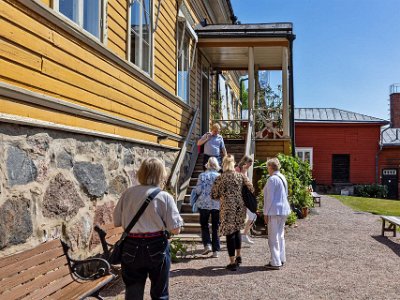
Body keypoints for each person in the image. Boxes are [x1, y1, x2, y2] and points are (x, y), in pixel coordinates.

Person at [113, 158, 183, 300]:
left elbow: (117, 222)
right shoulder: (164, 197)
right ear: (160, 175)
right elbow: (176, 229)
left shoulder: (127, 194)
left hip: (131, 246)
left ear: (141, 173)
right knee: (160, 293)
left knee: (133, 292)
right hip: (157, 245)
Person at [212, 155, 254, 271]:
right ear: (233, 163)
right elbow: (251, 188)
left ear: (224, 164)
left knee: (230, 233)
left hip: (227, 209)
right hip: (240, 208)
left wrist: (224, 195)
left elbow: (214, 195)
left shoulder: (220, 178)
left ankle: (232, 262)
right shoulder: (240, 176)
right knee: (237, 231)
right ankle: (239, 256)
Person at [263, 158, 291, 270]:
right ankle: (281, 258)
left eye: (267, 167)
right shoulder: (282, 177)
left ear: (270, 167)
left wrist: (265, 213)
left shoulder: (272, 179)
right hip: (283, 210)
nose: (267, 169)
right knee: (280, 235)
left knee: (273, 238)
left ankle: (275, 261)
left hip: (274, 211)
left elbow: (269, 198)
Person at [194, 157, 221, 258]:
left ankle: (207, 245)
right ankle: (216, 251)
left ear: (207, 165)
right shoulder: (219, 176)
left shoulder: (202, 175)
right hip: (216, 205)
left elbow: (198, 190)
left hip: (204, 204)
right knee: (215, 227)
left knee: (204, 225)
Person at [235, 155, 256, 245]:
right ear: (244, 162)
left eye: (250, 165)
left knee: (253, 216)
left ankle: (244, 234)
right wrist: (243, 172)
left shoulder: (245, 170)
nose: (249, 166)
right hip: (239, 197)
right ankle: (237, 236)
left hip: (246, 196)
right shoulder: (237, 169)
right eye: (248, 164)